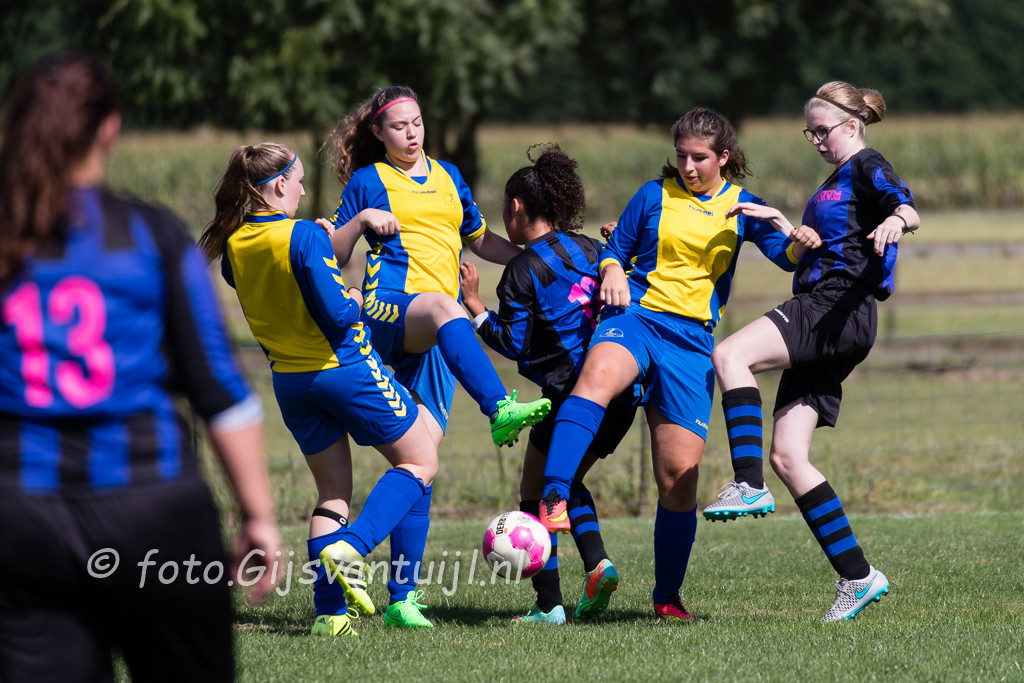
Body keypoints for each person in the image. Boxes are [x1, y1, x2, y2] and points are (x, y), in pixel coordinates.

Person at [0, 52, 281, 682]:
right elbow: (218, 389)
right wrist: (258, 515)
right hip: (151, 511)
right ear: (110, 128)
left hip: (21, 516)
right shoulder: (151, 235)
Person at [538, 108, 820, 622]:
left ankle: (667, 599)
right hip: (636, 318)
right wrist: (611, 270)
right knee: (597, 377)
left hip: (691, 345)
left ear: (723, 157)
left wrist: (801, 245)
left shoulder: (744, 207)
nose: (688, 167)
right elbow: (615, 248)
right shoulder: (652, 195)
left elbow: (785, 257)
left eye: (699, 158)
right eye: (682, 156)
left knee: (678, 479)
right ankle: (553, 496)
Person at [199, 142, 441, 633]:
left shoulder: (236, 244)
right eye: (299, 181)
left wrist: (318, 248)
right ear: (279, 185)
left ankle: (329, 616)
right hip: (343, 368)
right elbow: (337, 313)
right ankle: (353, 548)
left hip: (291, 383)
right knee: (421, 459)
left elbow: (275, 285)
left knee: (332, 494)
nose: (304, 191)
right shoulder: (304, 235)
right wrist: (354, 294)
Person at [704, 81, 919, 622]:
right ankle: (858, 577)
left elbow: (906, 208)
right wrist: (784, 226)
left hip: (835, 305)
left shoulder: (867, 163)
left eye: (823, 131)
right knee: (788, 457)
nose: (817, 140)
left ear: (851, 125)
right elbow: (824, 244)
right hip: (837, 314)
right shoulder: (833, 181)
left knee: (730, 356)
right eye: (810, 133)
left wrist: (896, 220)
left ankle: (747, 484)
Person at [460, 144, 639, 625]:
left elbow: (512, 342)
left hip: (571, 398)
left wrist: (474, 305)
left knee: (536, 489)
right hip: (621, 391)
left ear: (516, 207)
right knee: (564, 481)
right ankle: (595, 566)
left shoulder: (521, 271)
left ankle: (551, 602)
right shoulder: (590, 248)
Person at [321, 85, 551, 455]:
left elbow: (480, 239)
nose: (411, 133)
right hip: (388, 307)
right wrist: (362, 219)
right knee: (447, 307)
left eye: (417, 123)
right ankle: (499, 408)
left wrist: (536, 259)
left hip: (442, 328)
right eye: (399, 127)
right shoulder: (368, 181)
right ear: (378, 132)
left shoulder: (449, 175)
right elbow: (333, 255)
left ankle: (391, 497)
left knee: (422, 456)